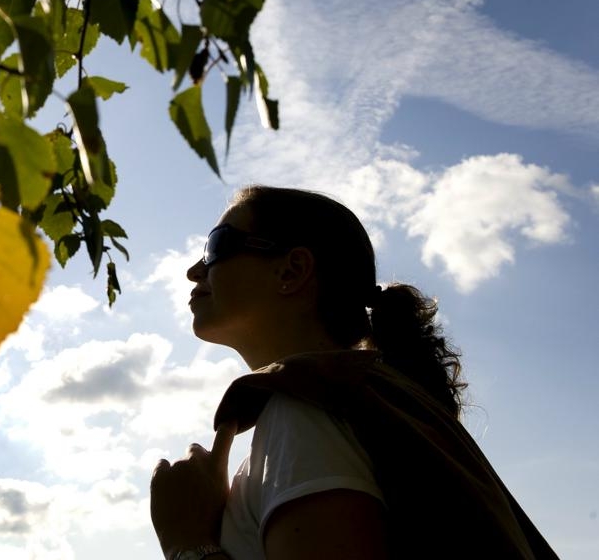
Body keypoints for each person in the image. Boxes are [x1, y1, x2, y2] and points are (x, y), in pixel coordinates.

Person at [149, 186, 557, 560]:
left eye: (216, 247)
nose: (194, 271)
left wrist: (186, 542)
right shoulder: (349, 403)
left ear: (291, 271)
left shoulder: (304, 413)